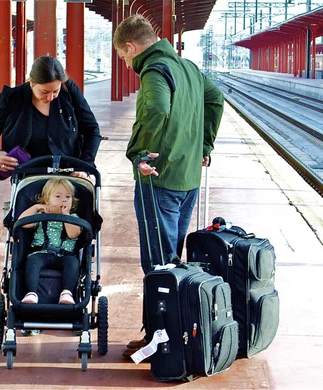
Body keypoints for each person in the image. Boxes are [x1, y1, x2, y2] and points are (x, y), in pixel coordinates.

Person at [112, 14, 224, 356]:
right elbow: (215, 98)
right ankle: (175, 334)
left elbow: (158, 107)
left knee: (158, 264)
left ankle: (160, 340)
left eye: (123, 56)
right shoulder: (188, 68)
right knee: (172, 260)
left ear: (131, 46)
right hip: (188, 179)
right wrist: (204, 146)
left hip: (158, 180)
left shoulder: (154, 70)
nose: (126, 63)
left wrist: (139, 152)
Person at [0, 56, 102, 183]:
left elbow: (92, 130)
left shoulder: (70, 93)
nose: (50, 97)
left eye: (56, 91)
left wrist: (84, 165)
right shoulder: (13, 98)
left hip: (68, 175)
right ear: (32, 82)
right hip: (27, 176)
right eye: (44, 91)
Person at [18, 177, 82, 306]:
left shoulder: (74, 218)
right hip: (41, 253)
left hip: (65, 256)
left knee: (73, 263)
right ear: (47, 200)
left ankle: (67, 293)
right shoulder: (41, 216)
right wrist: (36, 208)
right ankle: (31, 293)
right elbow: (23, 222)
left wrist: (66, 216)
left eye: (68, 197)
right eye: (58, 196)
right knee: (32, 261)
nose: (64, 200)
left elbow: (73, 234)